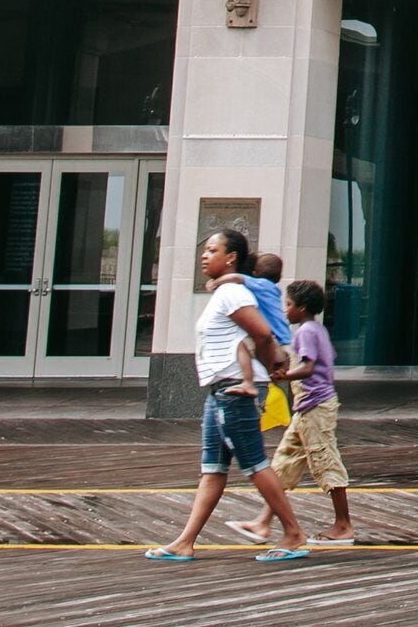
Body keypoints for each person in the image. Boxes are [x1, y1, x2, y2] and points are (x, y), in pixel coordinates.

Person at [144, 228, 308, 566]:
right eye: (204, 250)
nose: (205, 255)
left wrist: (270, 369)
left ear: (231, 257)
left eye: (213, 250)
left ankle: (293, 532)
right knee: (213, 469)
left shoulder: (233, 292)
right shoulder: (226, 294)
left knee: (255, 464)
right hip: (220, 390)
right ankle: (185, 542)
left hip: (235, 389)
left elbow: (263, 334)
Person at [236, 280, 353, 548]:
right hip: (306, 407)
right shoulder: (317, 329)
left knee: (325, 460)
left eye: (288, 305)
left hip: (316, 407)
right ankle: (263, 522)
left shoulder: (306, 332)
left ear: (301, 308)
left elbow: (309, 367)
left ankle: (343, 525)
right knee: (284, 461)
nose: (284, 310)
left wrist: (284, 374)